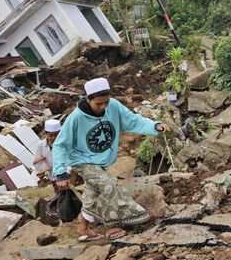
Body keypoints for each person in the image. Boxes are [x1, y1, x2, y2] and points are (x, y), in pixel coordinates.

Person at [52, 77, 169, 241]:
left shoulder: (113, 106)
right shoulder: (76, 118)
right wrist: (60, 173)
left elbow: (132, 120)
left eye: (105, 102)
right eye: (98, 104)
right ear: (88, 99)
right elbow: (60, 145)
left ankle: (83, 227)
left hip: (101, 160)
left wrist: (154, 126)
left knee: (93, 192)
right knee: (108, 185)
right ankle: (111, 225)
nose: (103, 107)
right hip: (82, 160)